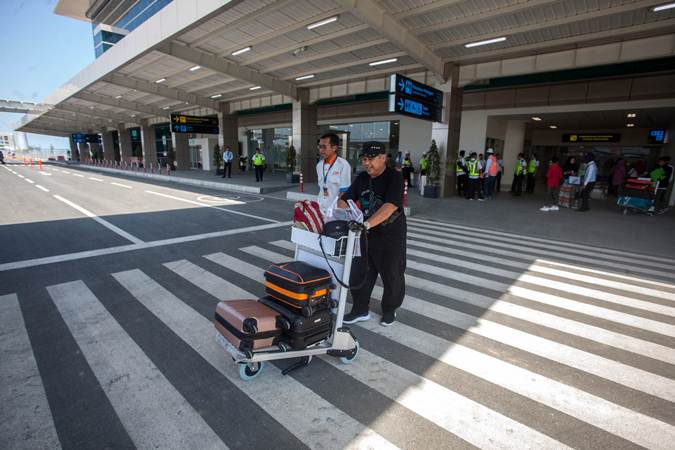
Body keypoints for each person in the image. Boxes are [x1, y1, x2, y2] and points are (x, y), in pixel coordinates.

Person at [340, 141, 407, 327]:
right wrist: (330, 213)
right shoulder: (362, 178)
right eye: (364, 159)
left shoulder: (394, 177)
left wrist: (366, 224)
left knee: (392, 275)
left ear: (383, 158)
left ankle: (389, 309)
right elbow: (345, 200)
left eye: (371, 159)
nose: (367, 163)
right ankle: (360, 309)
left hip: (390, 235)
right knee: (360, 273)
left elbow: (390, 206)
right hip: (366, 235)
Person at [316, 133, 351, 213]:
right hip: (321, 207)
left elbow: (344, 191)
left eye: (324, 147)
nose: (321, 150)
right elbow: (321, 188)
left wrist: (335, 208)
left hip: (335, 211)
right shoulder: (319, 165)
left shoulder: (343, 165)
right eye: (320, 146)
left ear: (334, 148)